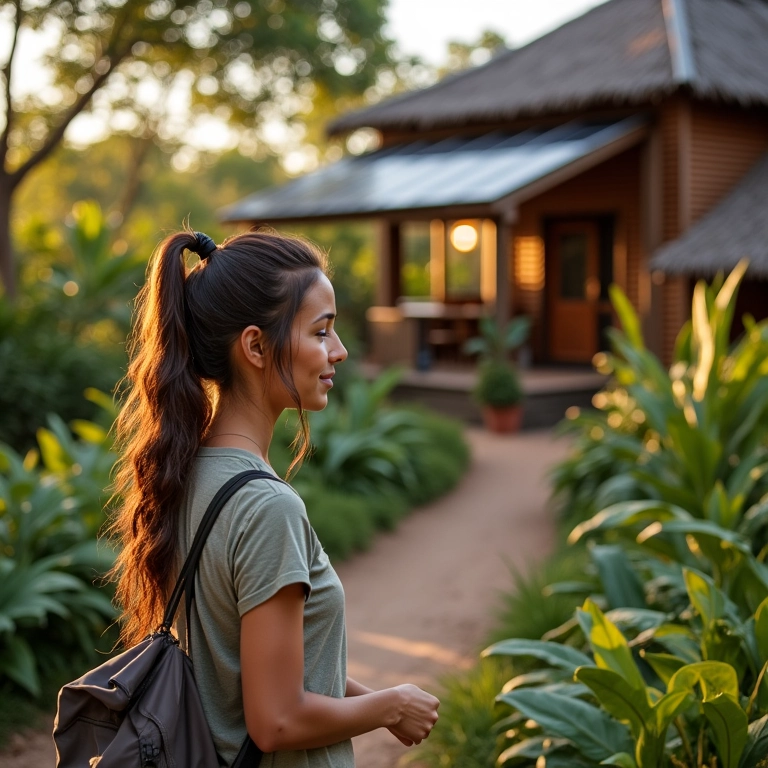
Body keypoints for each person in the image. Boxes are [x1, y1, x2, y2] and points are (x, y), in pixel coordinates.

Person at [109, 228, 440, 767]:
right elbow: (276, 720)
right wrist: (390, 705)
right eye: (321, 332)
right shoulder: (267, 508)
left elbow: (256, 664)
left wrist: (365, 698)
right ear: (256, 346)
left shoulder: (183, 473)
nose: (340, 350)